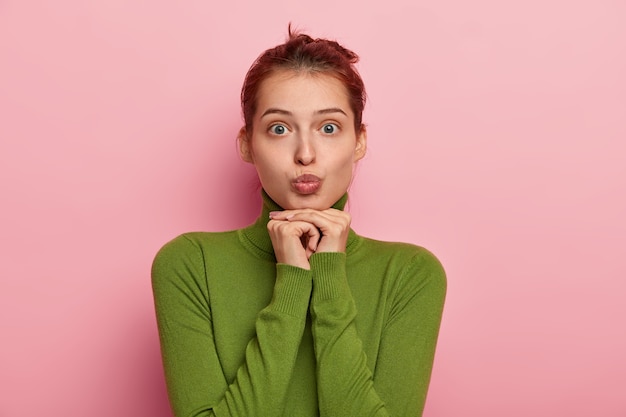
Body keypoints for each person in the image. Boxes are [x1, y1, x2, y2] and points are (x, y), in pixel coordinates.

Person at [151, 27, 446, 417]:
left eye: (328, 128)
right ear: (246, 143)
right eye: (279, 128)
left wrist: (328, 276)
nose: (305, 154)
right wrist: (291, 281)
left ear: (359, 141)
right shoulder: (190, 265)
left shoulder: (410, 274)